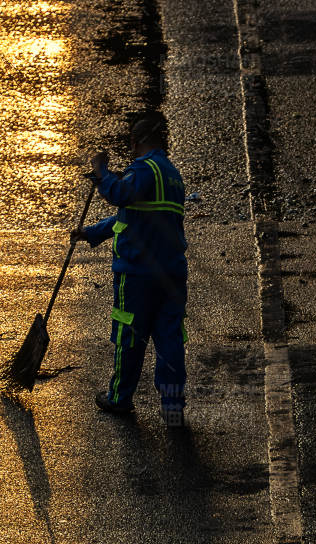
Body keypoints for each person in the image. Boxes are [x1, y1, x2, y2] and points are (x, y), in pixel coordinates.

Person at [72, 112, 188, 426]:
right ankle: (173, 406)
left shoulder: (145, 168)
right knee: (169, 339)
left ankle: (120, 398)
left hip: (138, 274)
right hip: (173, 275)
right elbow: (132, 217)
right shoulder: (173, 176)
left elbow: (119, 195)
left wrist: (101, 172)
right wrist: (92, 233)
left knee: (130, 336)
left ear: (135, 142)